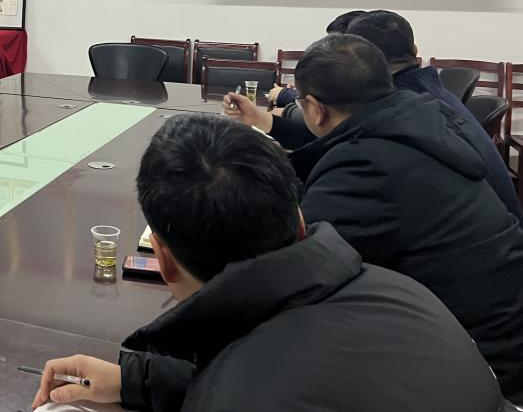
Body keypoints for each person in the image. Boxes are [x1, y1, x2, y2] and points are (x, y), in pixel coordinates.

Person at [31, 114, 506, 411]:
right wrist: (137, 380)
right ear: (298, 217)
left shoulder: (244, 393)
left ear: (163, 259)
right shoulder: (398, 291)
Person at [223, 34, 523, 402]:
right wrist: (265, 122)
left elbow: (293, 268)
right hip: (494, 330)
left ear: (313, 108)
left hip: (481, 369)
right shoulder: (417, 118)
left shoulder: (368, 168)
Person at [346, 9, 520, 218]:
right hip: (502, 226)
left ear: (360, 61)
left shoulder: (399, 109)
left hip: (481, 232)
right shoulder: (427, 91)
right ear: (415, 50)